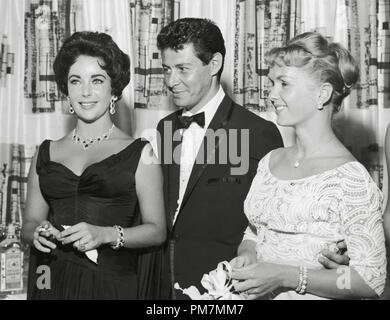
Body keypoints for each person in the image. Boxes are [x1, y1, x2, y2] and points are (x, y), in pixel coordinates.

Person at [230, 32, 387, 299]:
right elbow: (256, 230)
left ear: (322, 94)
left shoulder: (350, 178)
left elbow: (369, 281)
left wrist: (285, 276)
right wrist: (247, 253)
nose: (271, 95)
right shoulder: (270, 160)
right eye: (271, 83)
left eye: (284, 84)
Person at [22, 31, 166, 300]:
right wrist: (38, 232)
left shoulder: (140, 153)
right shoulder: (46, 151)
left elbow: (157, 231)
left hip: (111, 286)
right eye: (76, 81)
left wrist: (107, 234)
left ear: (114, 89)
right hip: (51, 281)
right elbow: (29, 222)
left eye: (97, 80)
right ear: (66, 89)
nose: (85, 92)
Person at [155, 17, 284, 299]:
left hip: (226, 286)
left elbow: (270, 223)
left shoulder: (258, 132)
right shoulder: (165, 128)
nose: (171, 81)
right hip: (165, 284)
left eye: (182, 69)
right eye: (166, 69)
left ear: (214, 64)